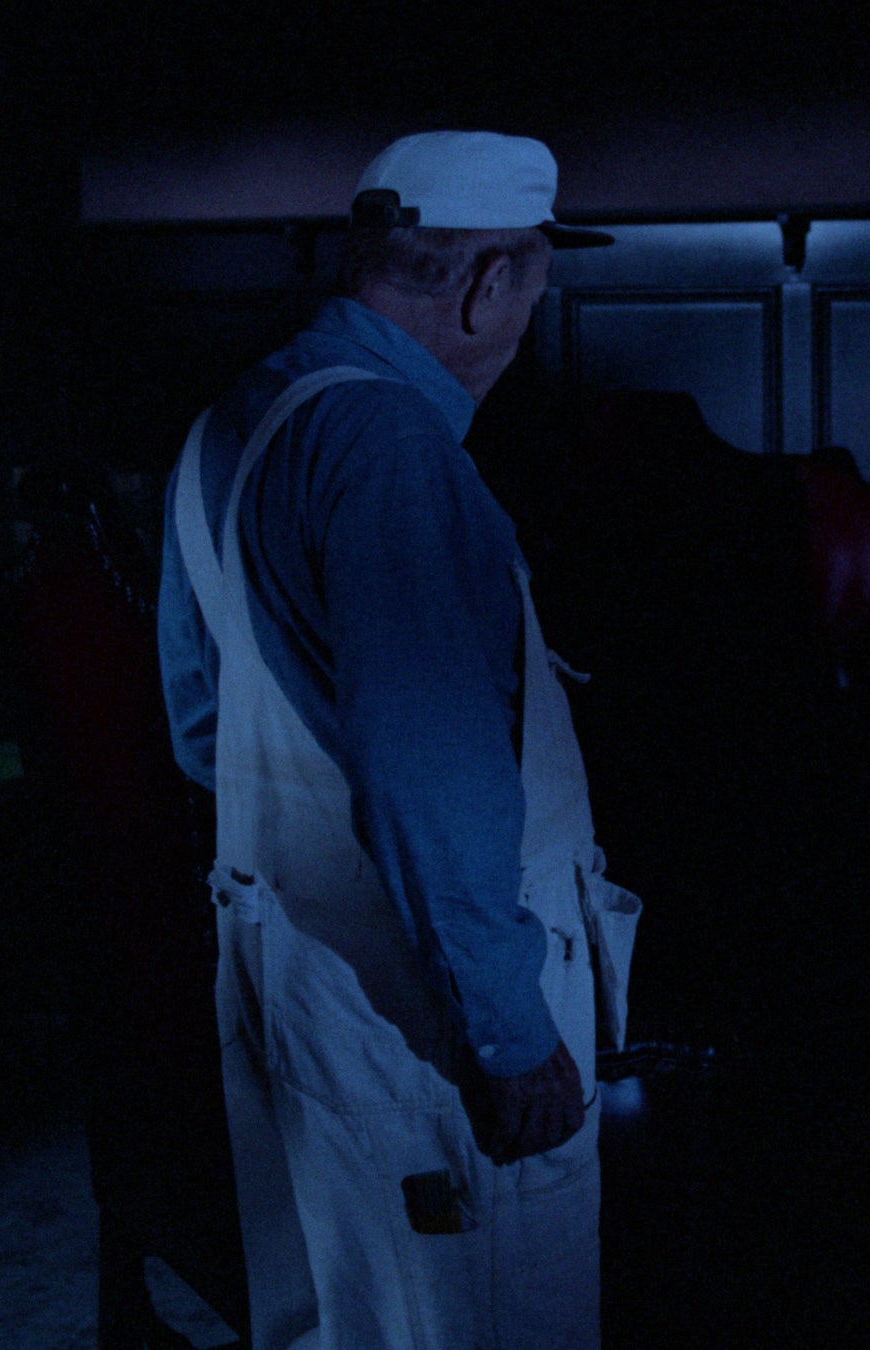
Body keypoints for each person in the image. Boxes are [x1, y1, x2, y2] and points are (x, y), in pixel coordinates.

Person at [157, 131, 640, 1350]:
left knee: (344, 1313)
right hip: (428, 1016)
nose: (530, 314)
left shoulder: (233, 422)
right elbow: (432, 772)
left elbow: (205, 731)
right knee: (486, 1317)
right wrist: (510, 1030)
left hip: (293, 979)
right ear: (488, 283)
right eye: (535, 281)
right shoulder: (393, 452)